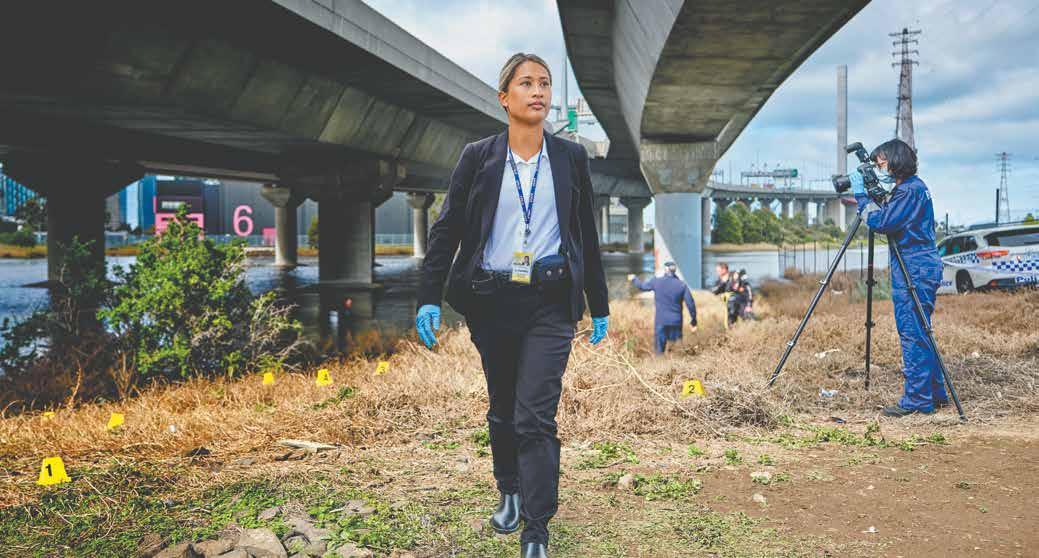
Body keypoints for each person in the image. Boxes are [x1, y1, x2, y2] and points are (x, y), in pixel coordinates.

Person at [414, 52, 609, 558]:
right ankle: (509, 489)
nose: (538, 91)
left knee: (535, 417)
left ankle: (536, 529)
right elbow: (447, 229)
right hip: (492, 300)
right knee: (503, 410)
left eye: (544, 83)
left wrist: (599, 302)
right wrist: (428, 296)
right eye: (526, 83)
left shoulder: (570, 157)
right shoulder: (478, 156)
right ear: (504, 98)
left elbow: (585, 233)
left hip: (551, 302)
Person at [850, 138, 948, 418]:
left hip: (913, 267)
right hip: (921, 263)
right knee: (921, 330)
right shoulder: (914, 188)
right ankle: (935, 393)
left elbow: (882, 222)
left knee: (912, 333)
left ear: (895, 160)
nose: (878, 167)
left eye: (880, 162)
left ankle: (917, 400)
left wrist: (862, 198)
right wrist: (878, 196)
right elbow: (893, 215)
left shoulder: (907, 191)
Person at [627, 261, 697, 353]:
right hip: (676, 322)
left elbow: (642, 287)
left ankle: (660, 361)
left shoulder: (657, 282)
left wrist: (634, 279)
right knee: (676, 351)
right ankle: (674, 361)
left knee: (659, 351)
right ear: (674, 271)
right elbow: (690, 304)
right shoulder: (682, 285)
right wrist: (693, 320)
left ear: (665, 270)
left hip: (661, 321)